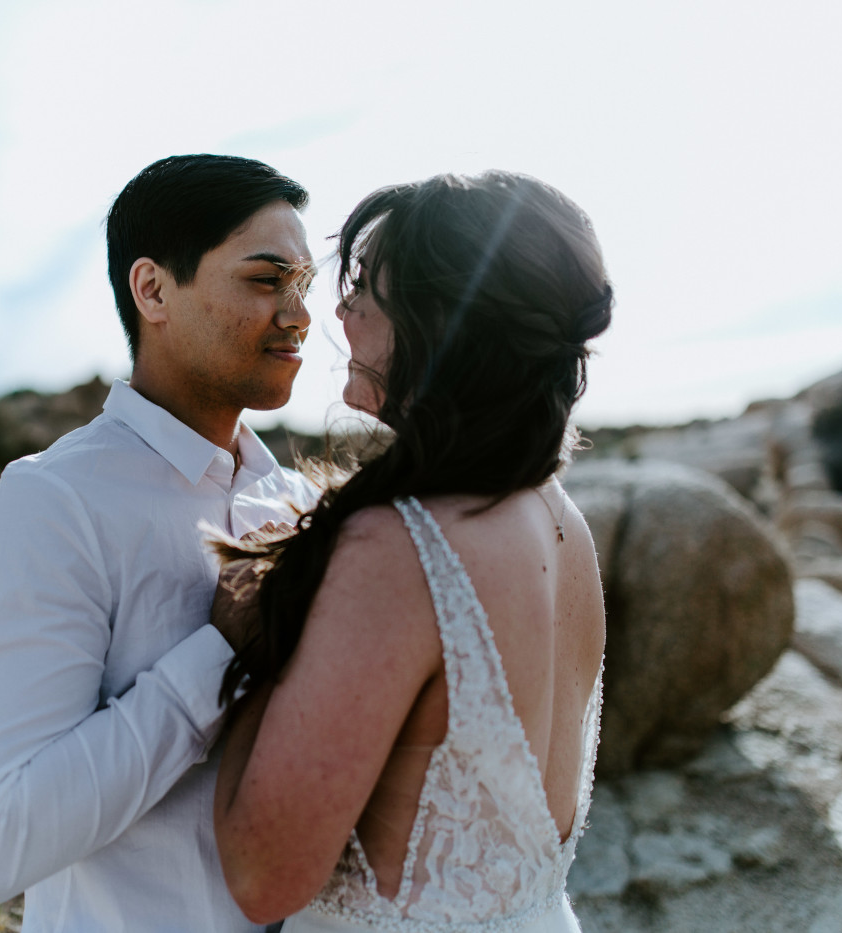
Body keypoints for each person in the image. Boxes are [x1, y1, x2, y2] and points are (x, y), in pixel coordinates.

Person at [210, 171, 613, 932]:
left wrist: (256, 640)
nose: (341, 310)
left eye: (367, 288)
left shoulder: (399, 550)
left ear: (445, 323)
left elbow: (262, 878)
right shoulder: (562, 521)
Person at [0, 154, 320, 932]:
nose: (300, 312)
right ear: (152, 290)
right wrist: (219, 653)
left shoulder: (298, 501)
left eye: (305, 284)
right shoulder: (52, 505)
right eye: (266, 279)